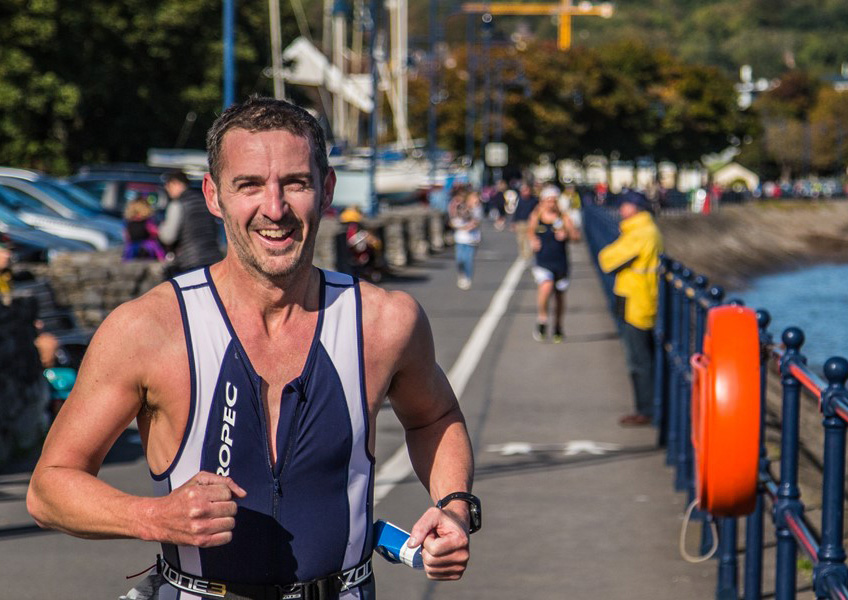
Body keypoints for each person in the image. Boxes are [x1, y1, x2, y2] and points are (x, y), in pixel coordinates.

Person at [27, 96, 477, 600]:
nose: (275, 208)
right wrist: (151, 516)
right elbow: (49, 488)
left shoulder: (385, 321)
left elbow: (433, 417)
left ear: (326, 190)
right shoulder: (149, 329)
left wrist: (455, 505)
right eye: (249, 185)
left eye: (296, 183)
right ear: (214, 196)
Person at [598, 190, 663, 427]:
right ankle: (645, 407)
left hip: (637, 300)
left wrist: (610, 252)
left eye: (624, 205)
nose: (621, 210)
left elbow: (607, 260)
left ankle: (646, 410)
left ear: (635, 208)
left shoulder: (641, 232)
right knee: (638, 357)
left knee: (639, 359)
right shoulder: (639, 229)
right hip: (632, 297)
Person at [528, 185, 580, 343]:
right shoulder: (537, 215)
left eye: (553, 200)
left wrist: (567, 235)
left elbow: (576, 237)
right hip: (543, 260)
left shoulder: (564, 217)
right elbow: (530, 231)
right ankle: (542, 318)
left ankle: (558, 326)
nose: (550, 203)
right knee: (546, 286)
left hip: (560, 261)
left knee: (559, 296)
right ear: (542, 201)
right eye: (547, 200)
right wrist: (532, 240)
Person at [159, 169, 223, 276]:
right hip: (214, 260)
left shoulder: (177, 204)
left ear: (176, 184)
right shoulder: (206, 202)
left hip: (190, 262)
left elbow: (168, 237)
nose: (167, 189)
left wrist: (161, 228)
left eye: (168, 185)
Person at [448, 188, 482, 290]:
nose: (475, 200)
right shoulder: (460, 206)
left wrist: (468, 226)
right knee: (459, 259)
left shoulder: (477, 209)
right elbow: (453, 221)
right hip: (460, 238)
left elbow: (477, 221)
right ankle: (461, 274)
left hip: (471, 239)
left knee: (468, 259)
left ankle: (467, 277)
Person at [511, 182, 537, 261]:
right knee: (521, 240)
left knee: (529, 240)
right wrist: (513, 222)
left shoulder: (534, 200)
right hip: (520, 223)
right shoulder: (519, 199)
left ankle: (528, 256)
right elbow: (516, 211)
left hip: (530, 223)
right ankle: (523, 255)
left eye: (527, 190)